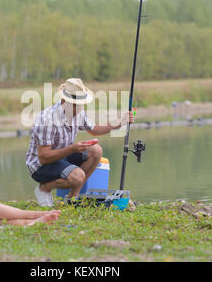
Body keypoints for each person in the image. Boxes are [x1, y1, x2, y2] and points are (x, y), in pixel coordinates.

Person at [25, 78, 134, 206]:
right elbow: (43, 157)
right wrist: (72, 149)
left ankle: (73, 196)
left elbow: (95, 130)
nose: (79, 107)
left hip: (62, 158)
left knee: (96, 150)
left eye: (82, 103)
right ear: (64, 101)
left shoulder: (78, 112)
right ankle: (44, 189)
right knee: (78, 176)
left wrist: (119, 123)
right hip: (40, 166)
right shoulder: (46, 119)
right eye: (75, 104)